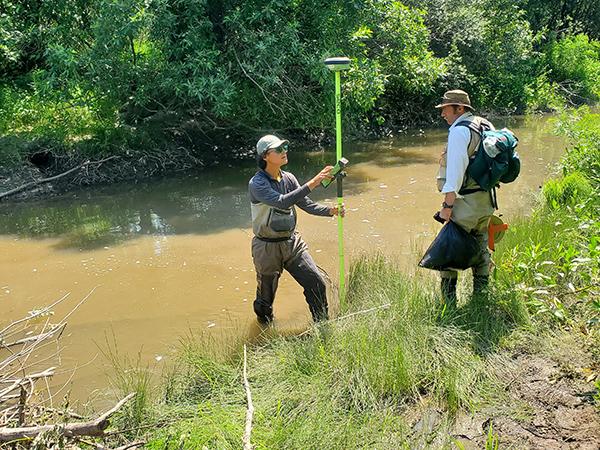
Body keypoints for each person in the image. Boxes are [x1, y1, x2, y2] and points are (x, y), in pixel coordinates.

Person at [248, 134, 344, 324]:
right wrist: (314, 182)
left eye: (285, 147)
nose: (285, 152)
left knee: (316, 283)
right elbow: (282, 202)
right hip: (267, 248)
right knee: (265, 300)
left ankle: (322, 326)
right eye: (279, 149)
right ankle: (264, 329)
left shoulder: (289, 178)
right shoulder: (257, 183)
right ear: (265, 156)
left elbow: (305, 204)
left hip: (292, 244)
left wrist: (331, 211)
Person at [434, 89, 495, 307]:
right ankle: (481, 302)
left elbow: (455, 174)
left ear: (460, 108)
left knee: (449, 254)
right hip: (486, 201)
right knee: (480, 251)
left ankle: (448, 308)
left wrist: (447, 206)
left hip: (464, 204)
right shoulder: (485, 125)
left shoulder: (460, 131)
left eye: (446, 109)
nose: (443, 114)